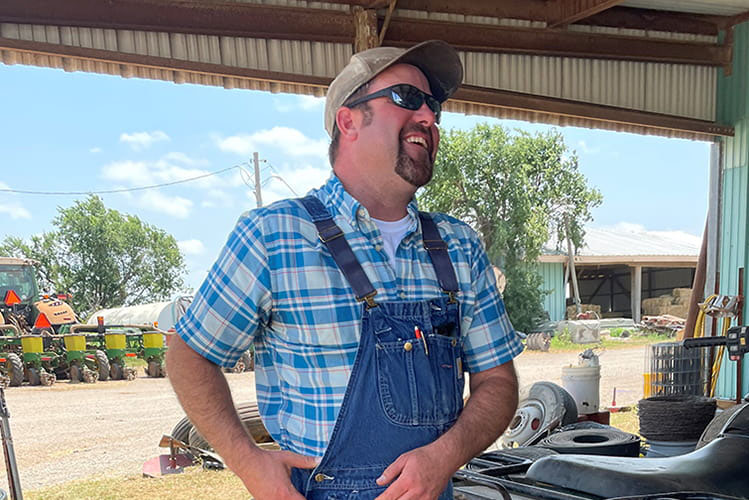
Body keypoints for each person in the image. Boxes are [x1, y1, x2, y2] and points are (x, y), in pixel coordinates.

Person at [167, 39, 523, 500]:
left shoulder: (459, 247)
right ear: (348, 120)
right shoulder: (274, 236)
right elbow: (188, 356)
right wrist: (249, 464)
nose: (430, 118)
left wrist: (444, 456)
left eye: (434, 107)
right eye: (407, 98)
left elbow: (498, 382)